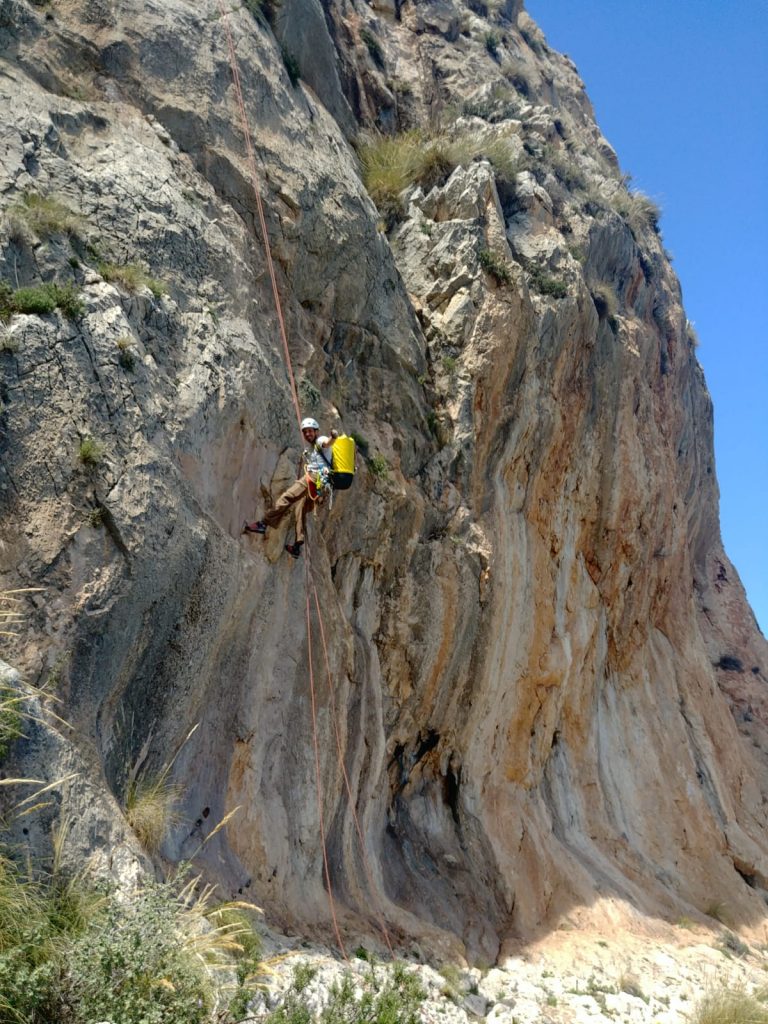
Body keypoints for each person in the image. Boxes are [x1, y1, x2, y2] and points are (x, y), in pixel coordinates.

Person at [243, 417, 338, 558]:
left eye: (310, 431)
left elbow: (327, 443)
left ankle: (264, 523)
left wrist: (333, 437)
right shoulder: (312, 449)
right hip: (322, 486)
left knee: (287, 497)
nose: (307, 434)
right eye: (305, 432)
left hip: (314, 478)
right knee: (300, 509)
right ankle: (297, 546)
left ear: (316, 431)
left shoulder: (320, 440)